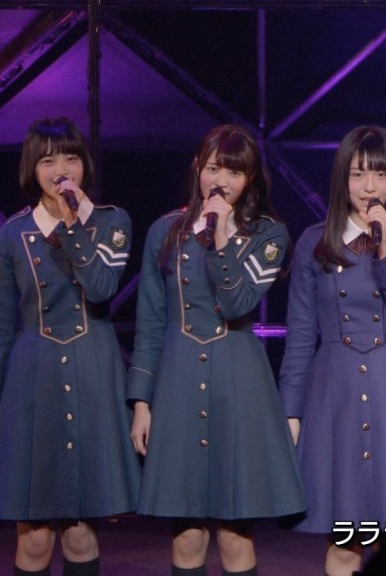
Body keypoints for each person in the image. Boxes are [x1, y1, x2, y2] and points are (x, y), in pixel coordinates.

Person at [128, 124, 305, 576]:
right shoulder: (164, 231)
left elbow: (238, 302)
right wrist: (141, 402)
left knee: (234, 532)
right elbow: (150, 323)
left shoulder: (268, 235)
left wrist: (222, 236)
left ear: (250, 179)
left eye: (234, 172)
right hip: (178, 383)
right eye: (213, 169)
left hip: (239, 386)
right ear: (197, 169)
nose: (221, 181)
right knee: (187, 532)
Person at [0, 117, 139, 576]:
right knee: (35, 537)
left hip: (93, 375)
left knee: (81, 533)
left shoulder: (112, 222)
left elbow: (101, 288)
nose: (61, 170)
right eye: (47, 161)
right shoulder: (11, 235)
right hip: (32, 383)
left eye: (70, 158)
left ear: (84, 165)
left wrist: (72, 224)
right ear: (32, 168)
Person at [279, 126, 386, 576]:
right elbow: (299, 334)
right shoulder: (314, 242)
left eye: (380, 175)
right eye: (358, 174)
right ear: (342, 179)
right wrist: (290, 411)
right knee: (345, 536)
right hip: (336, 393)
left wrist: (385, 248)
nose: (370, 187)